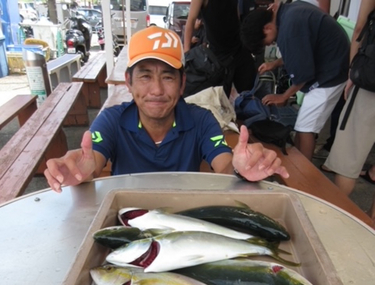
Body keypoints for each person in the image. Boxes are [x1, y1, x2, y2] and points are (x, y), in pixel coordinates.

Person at [44, 27, 288, 193]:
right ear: (129, 82)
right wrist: (79, 171)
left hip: (184, 220)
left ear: (183, 83)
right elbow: (91, 163)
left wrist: (240, 167)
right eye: (145, 76)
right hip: (127, 220)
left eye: (168, 77)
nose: (157, 90)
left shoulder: (201, 119)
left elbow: (224, 165)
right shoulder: (112, 120)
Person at [240, 1, 349, 161]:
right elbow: (299, 51)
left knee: (305, 127)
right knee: (302, 124)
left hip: (331, 73)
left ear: (267, 28)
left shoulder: (289, 29)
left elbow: (303, 74)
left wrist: (283, 96)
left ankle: (303, 176)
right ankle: (299, 163)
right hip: (330, 62)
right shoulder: (288, 12)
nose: (270, 43)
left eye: (266, 41)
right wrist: (274, 63)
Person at [323, 0, 375, 227]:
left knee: (349, 154)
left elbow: (360, 27)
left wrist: (352, 73)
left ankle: (334, 222)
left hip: (371, 84)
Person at [183, 0, 256, 96]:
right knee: (220, 98)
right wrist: (187, 54)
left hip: (238, 49)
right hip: (218, 56)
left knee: (249, 93)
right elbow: (191, 20)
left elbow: (236, 15)